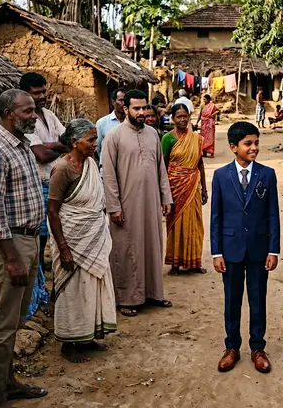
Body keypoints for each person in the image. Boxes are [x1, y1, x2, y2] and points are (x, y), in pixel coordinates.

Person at [211, 122, 280, 374]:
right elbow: (216, 217)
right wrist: (216, 252)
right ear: (233, 147)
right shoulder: (220, 176)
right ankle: (232, 347)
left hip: (259, 249)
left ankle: (257, 348)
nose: (254, 148)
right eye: (248, 144)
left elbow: (273, 215)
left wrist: (273, 250)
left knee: (257, 299)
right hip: (230, 250)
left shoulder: (267, 174)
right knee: (232, 300)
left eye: (256, 143)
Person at [0, 89, 47, 408]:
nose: (34, 116)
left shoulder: (23, 145)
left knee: (14, 321)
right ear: (8, 113)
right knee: (2, 324)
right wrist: (11, 258)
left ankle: (9, 382)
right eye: (28, 112)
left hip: (28, 241)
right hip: (9, 246)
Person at [47, 119, 117, 364]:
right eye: (90, 140)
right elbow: (53, 211)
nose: (94, 144)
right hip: (72, 241)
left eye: (95, 139)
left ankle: (88, 336)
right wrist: (64, 249)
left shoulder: (90, 163)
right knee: (72, 290)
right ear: (75, 142)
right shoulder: (62, 170)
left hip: (93, 236)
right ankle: (69, 343)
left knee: (93, 286)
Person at [102, 90, 173, 317]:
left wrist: (166, 197)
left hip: (151, 202)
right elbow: (109, 175)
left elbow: (161, 168)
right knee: (126, 249)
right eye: (137, 108)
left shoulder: (153, 134)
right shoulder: (113, 137)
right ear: (126, 109)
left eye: (144, 108)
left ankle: (153, 293)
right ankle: (127, 298)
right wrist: (113, 206)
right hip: (126, 204)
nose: (142, 112)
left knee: (152, 245)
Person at [20, 73, 67, 319]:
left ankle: (56, 290)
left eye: (43, 92)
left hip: (57, 187)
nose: (42, 97)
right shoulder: (26, 123)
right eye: (36, 93)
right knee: (37, 244)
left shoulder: (49, 116)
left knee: (59, 240)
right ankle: (38, 295)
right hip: (38, 188)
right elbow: (42, 155)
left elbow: (68, 139)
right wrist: (57, 146)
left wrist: (54, 146)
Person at [162, 104, 208, 275]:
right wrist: (164, 190)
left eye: (185, 116)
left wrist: (204, 188)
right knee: (176, 223)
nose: (182, 120)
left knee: (195, 223)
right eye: (178, 116)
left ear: (189, 117)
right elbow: (163, 166)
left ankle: (194, 261)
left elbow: (200, 163)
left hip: (193, 184)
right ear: (173, 118)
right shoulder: (167, 138)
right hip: (175, 185)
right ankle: (175, 264)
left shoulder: (196, 138)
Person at [96, 88, 126, 158]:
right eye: (121, 100)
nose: (124, 103)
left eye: (125, 101)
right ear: (113, 102)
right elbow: (97, 148)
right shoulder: (102, 123)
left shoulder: (132, 123)